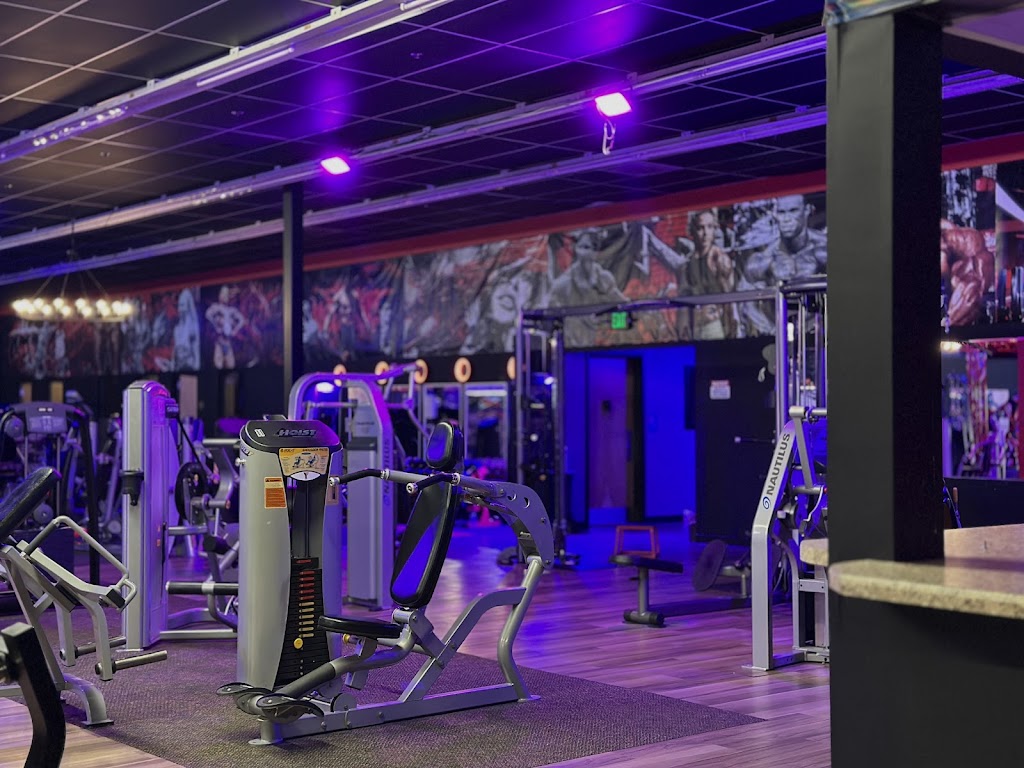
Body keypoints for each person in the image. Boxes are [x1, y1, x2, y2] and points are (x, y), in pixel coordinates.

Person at [548, 230, 627, 347]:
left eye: (587, 247)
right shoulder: (563, 284)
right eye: (580, 247)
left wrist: (613, 328)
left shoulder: (604, 279)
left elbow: (622, 308)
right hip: (572, 344)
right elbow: (551, 315)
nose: (583, 252)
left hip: (602, 343)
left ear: (596, 252)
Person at [204, 286, 245, 369]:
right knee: (218, 365)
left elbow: (242, 320)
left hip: (228, 342)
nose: (224, 296)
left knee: (231, 365)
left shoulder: (231, 310)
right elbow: (207, 315)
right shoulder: (215, 307)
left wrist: (235, 330)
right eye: (223, 294)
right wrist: (216, 326)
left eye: (226, 294)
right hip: (219, 341)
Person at [173, 289, 201, 371]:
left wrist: (196, 366)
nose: (180, 309)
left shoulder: (192, 325)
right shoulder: (177, 326)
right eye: (179, 305)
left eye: (182, 305)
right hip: (178, 365)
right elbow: (175, 348)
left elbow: (195, 347)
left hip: (188, 364)